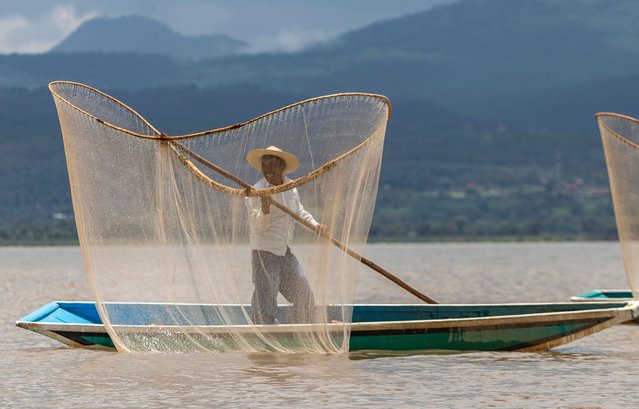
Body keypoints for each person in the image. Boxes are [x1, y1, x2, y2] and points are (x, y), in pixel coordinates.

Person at [245, 145, 327, 325]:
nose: (269, 169)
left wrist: (316, 225)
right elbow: (259, 226)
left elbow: (298, 211)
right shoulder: (256, 192)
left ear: (282, 167)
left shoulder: (291, 187)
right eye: (265, 165)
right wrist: (265, 209)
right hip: (263, 253)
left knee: (303, 293)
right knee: (265, 301)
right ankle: (263, 331)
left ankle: (300, 331)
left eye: (272, 164)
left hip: (283, 251)